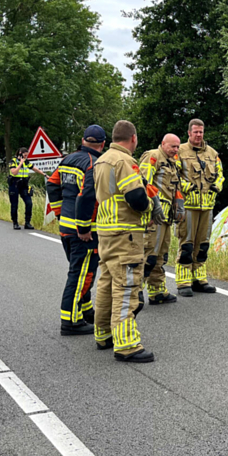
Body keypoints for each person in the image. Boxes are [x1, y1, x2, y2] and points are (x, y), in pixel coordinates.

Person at [93, 120, 160, 362]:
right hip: (126, 233)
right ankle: (127, 344)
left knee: (107, 282)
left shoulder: (102, 159)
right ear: (133, 138)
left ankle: (103, 333)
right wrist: (151, 207)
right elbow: (136, 197)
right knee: (127, 287)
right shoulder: (125, 161)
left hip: (107, 231)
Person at [45, 125, 107, 336]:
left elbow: (52, 184)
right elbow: (88, 196)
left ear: (83, 140)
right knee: (81, 275)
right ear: (103, 144)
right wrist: (83, 227)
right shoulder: (94, 164)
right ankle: (70, 321)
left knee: (81, 272)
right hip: (84, 231)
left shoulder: (68, 159)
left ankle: (86, 310)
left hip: (66, 227)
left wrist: (59, 212)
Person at [176, 119, 225, 296]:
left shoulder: (212, 153)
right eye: (195, 132)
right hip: (188, 205)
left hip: (207, 205)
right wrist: (186, 187)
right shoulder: (179, 151)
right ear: (189, 133)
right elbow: (173, 175)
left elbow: (220, 175)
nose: (199, 135)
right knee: (187, 244)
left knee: (203, 244)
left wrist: (217, 186)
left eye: (201, 132)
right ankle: (183, 282)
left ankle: (200, 279)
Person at [139, 133, 185, 305]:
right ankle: (135, 292)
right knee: (149, 255)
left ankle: (157, 291)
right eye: (173, 146)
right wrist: (150, 211)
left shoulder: (173, 163)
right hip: (153, 217)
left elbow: (174, 188)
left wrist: (179, 206)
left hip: (166, 218)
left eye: (178, 146)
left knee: (161, 256)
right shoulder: (152, 157)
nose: (176, 150)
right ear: (163, 144)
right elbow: (144, 183)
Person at [9, 147, 45, 230]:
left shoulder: (26, 161)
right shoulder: (13, 161)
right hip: (14, 185)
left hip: (23, 185)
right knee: (14, 205)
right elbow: (14, 172)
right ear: (20, 153)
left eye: (27, 155)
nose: (26, 157)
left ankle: (27, 223)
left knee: (29, 203)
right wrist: (20, 163)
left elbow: (34, 168)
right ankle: (15, 223)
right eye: (25, 155)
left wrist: (44, 174)